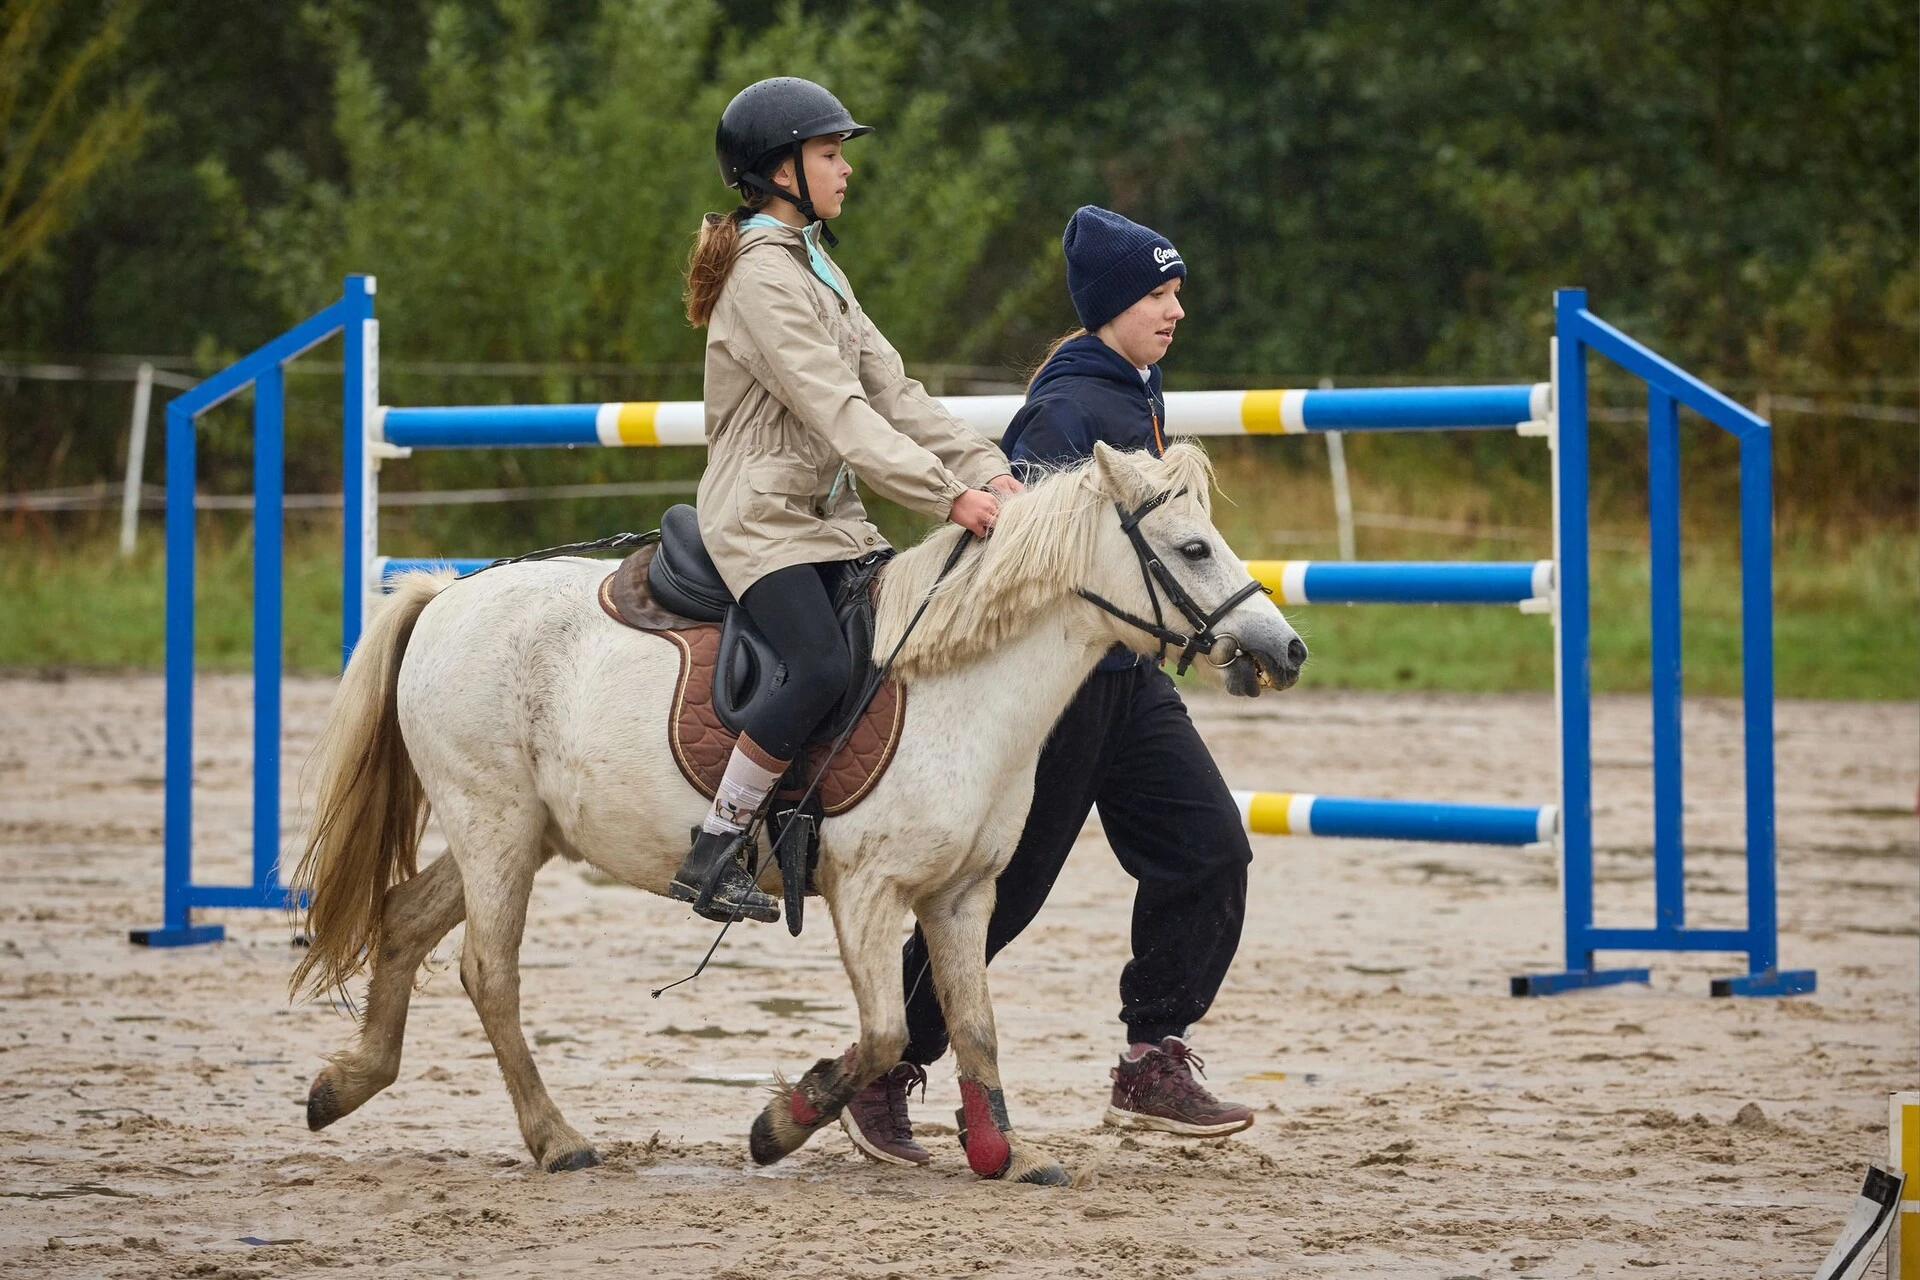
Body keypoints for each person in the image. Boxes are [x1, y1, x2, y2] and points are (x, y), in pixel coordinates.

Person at [839, 206, 1257, 1165]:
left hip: (1132, 679)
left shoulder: (1136, 391)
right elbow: (1021, 566)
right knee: (1006, 893)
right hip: (1058, 691)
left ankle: (1153, 1054)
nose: (1175, 310)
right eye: (1158, 294)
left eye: (1177, 292)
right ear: (1112, 304)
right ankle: (886, 1071)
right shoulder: (1068, 412)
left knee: (1209, 849)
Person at [670, 77, 1019, 923]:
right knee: (822, 663)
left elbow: (894, 389)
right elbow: (837, 409)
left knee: (889, 643)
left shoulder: (816, 263)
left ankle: (819, 820)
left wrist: (989, 465)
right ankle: (717, 844)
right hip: (763, 518)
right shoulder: (761, 276)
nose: (845, 169)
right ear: (780, 169)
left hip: (826, 520)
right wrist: (949, 499)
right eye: (830, 154)